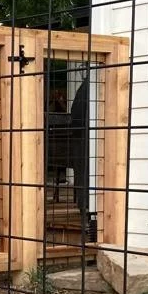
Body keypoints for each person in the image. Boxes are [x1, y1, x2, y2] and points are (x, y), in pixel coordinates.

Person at [68, 76, 98, 243]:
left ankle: (85, 208)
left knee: (84, 172)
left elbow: (75, 116)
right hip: (86, 141)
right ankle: (87, 209)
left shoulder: (85, 87)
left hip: (82, 140)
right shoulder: (90, 86)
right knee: (86, 172)